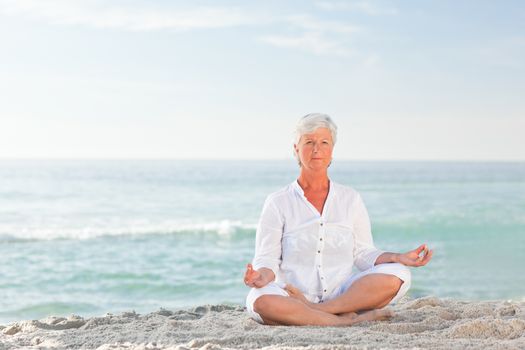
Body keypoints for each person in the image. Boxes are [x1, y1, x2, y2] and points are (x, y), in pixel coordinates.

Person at [243, 113, 433, 326]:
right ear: (296, 149)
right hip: (290, 294)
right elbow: (267, 258)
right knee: (259, 301)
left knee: (399, 274)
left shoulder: (350, 198)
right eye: (309, 142)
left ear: (332, 150)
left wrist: (398, 258)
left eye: (324, 142)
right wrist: (261, 277)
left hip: (342, 295)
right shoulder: (278, 202)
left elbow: (363, 253)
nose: (317, 149)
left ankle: (317, 311)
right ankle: (344, 321)